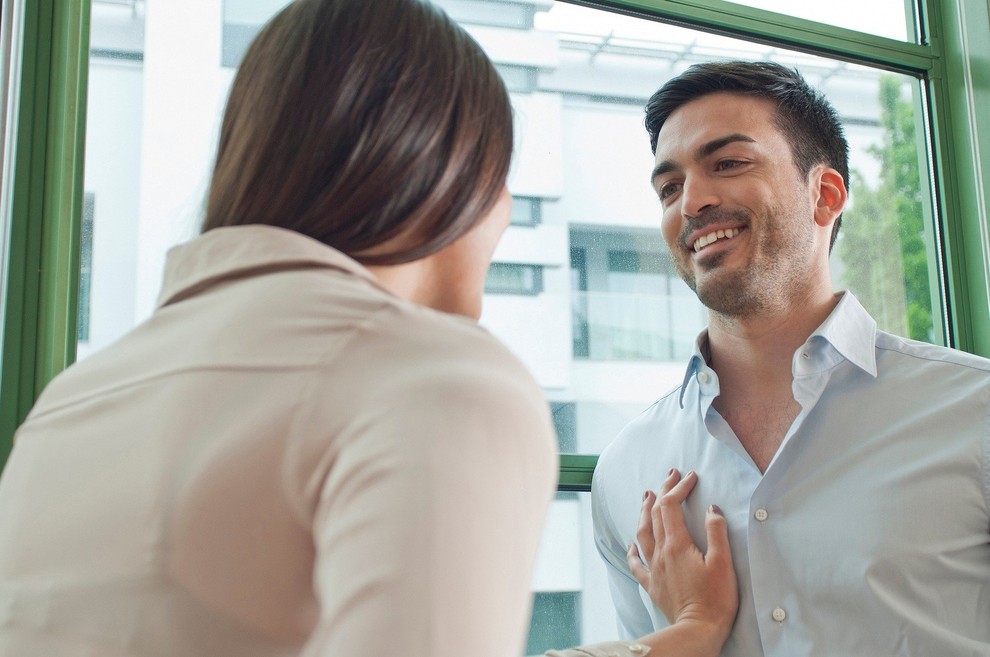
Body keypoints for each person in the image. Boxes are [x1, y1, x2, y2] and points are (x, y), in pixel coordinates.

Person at [0, 2, 737, 655]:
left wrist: (680, 637)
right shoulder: (439, 381)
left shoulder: (70, 398)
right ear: (446, 176)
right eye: (502, 176)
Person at [592, 60, 990, 656]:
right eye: (669, 188)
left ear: (823, 194)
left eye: (727, 163)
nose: (692, 202)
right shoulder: (625, 470)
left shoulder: (976, 411)